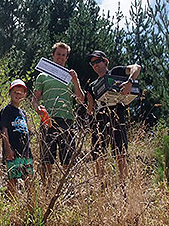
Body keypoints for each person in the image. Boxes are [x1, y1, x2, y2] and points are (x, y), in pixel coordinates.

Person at [32, 42, 85, 185]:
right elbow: (35, 99)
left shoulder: (70, 77)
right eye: (58, 54)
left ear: (67, 58)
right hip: (47, 119)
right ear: (53, 56)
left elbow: (81, 100)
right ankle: (47, 189)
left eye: (63, 55)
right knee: (46, 158)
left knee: (67, 158)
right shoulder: (42, 76)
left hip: (67, 120)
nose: (60, 57)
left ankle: (66, 189)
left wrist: (76, 80)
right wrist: (38, 109)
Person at [86, 50, 141, 181]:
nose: (95, 65)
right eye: (92, 63)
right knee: (98, 156)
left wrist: (129, 82)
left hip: (117, 118)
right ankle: (101, 187)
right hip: (99, 123)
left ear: (105, 61)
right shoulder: (92, 85)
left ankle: (123, 187)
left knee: (120, 154)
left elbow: (136, 67)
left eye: (97, 61)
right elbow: (90, 109)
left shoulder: (116, 72)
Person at [0, 79, 33, 194]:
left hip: (25, 151)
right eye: (15, 92)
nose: (17, 95)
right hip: (12, 150)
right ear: (10, 93)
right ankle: (12, 204)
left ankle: (30, 204)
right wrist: (8, 149)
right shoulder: (6, 110)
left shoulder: (23, 113)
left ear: (24, 95)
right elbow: (4, 130)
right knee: (12, 178)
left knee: (28, 177)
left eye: (20, 93)